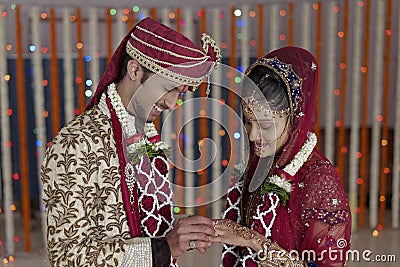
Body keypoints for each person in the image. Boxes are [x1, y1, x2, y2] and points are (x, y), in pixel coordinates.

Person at [41, 17, 221, 266]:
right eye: (168, 88)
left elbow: (142, 216)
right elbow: (66, 255)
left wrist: (184, 231)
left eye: (178, 93)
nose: (172, 103)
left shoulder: (144, 132)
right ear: (135, 70)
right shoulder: (76, 143)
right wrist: (163, 248)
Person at [210, 46, 351, 266]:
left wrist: (256, 242)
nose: (253, 135)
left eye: (266, 125)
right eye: (248, 121)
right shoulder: (259, 166)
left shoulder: (319, 181)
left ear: (294, 118)